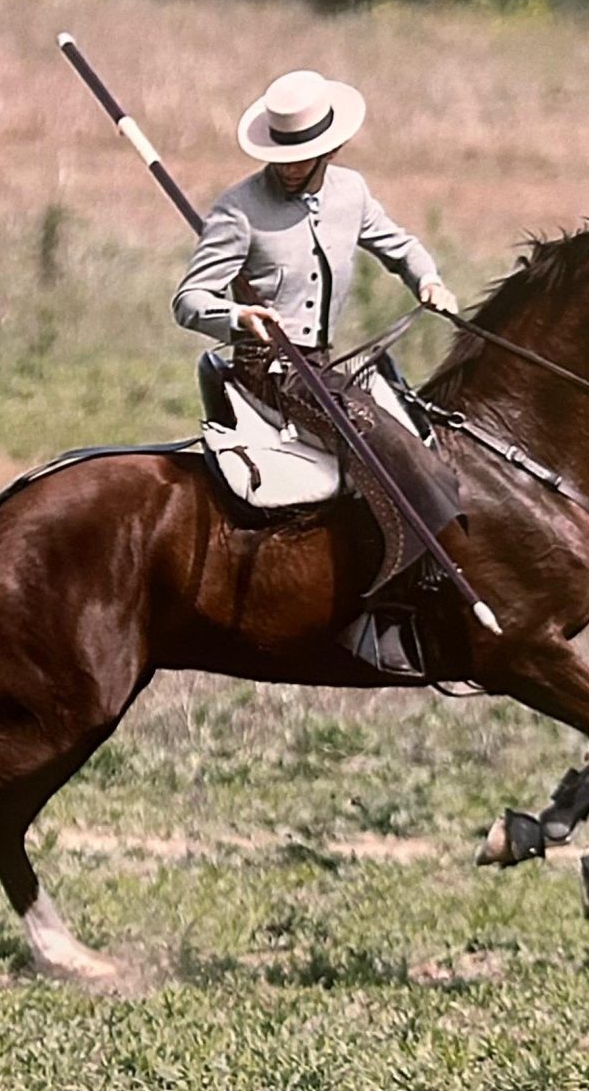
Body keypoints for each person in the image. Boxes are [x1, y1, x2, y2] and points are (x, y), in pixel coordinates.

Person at [175, 68, 463, 675]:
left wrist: (428, 278)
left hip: (324, 363)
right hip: (267, 370)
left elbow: (399, 245)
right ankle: (372, 619)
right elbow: (189, 300)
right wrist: (238, 315)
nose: (289, 167)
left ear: (330, 148)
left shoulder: (351, 193)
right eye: (281, 156)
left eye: (302, 156)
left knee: (419, 430)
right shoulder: (238, 209)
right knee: (383, 447)